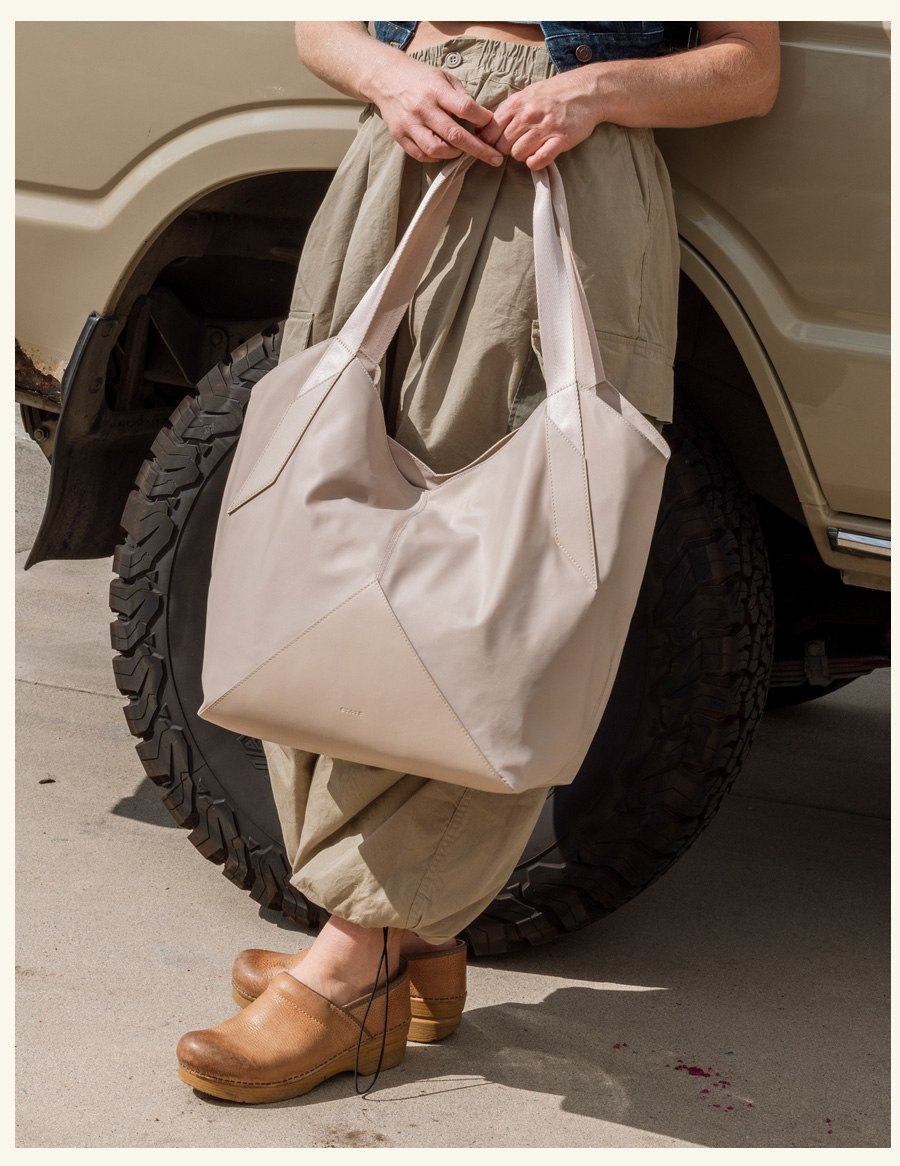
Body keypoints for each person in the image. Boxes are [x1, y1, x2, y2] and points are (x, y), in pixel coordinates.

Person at [176, 21, 780, 1104]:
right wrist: (390, 74)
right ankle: (410, 941)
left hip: (565, 169)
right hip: (396, 160)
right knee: (330, 533)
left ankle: (351, 962)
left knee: (501, 584)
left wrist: (594, 90)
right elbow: (325, 23)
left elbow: (748, 63)